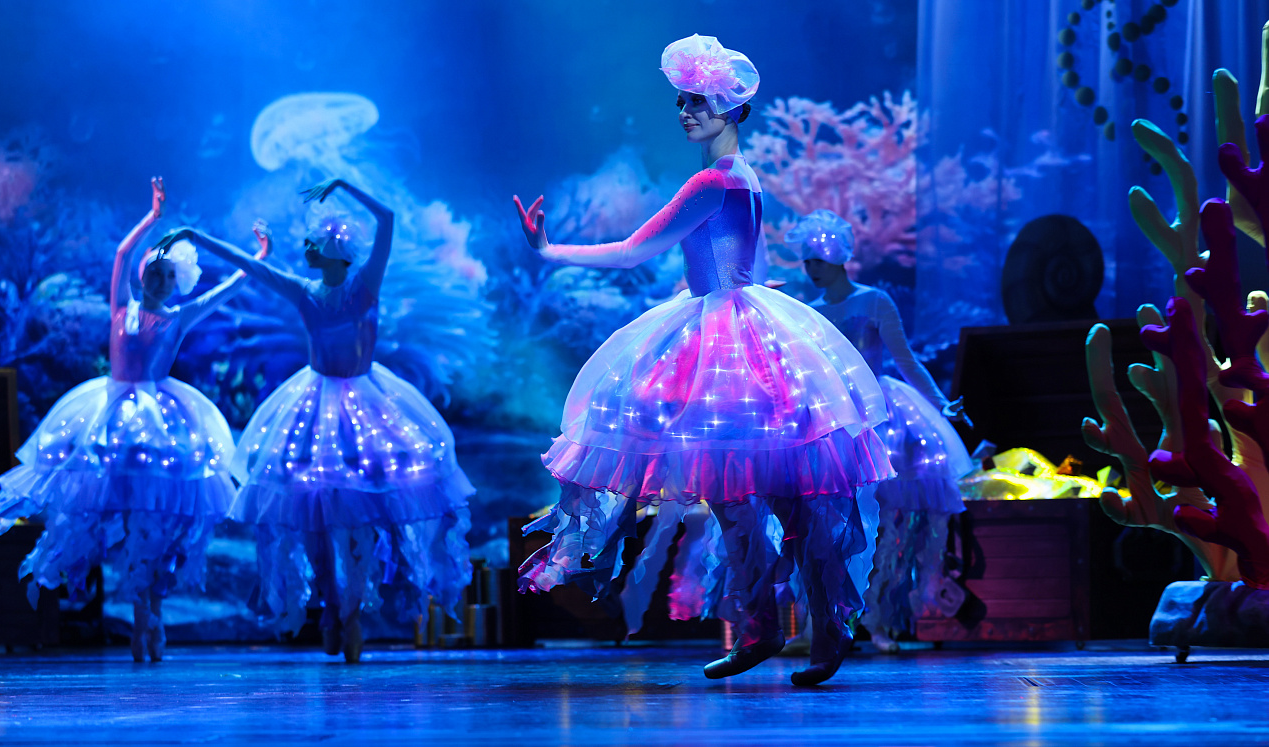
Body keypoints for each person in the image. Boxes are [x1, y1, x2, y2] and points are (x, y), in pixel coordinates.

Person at [513, 34, 893, 685]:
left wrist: (551, 251)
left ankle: (782, 626)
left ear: (729, 107)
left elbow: (634, 250)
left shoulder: (714, 180)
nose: (685, 111)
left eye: (697, 101)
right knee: (764, 494)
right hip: (743, 329)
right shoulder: (745, 177)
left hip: (725, 339)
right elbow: (744, 260)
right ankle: (803, 628)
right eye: (682, 101)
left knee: (748, 493)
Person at [159, 178, 473, 663]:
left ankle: (351, 609)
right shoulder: (304, 292)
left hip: (366, 405)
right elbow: (252, 266)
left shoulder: (364, 287)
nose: (304, 249)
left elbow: (387, 220)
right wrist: (196, 238)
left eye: (312, 244)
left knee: (362, 514)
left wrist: (345, 186)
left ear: (335, 252)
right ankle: (330, 604)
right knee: (314, 517)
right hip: (314, 406)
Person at [0, 177, 265, 662]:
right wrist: (152, 217)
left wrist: (258, 256)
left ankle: (151, 609)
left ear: (175, 282)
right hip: (108, 418)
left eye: (167, 276)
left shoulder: (178, 317)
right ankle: (139, 608)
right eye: (154, 272)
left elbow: (230, 289)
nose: (158, 280)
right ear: (144, 274)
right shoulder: (122, 307)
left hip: (159, 422)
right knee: (117, 519)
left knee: (156, 519)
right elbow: (123, 253)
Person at [787, 210, 971, 653]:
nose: (811, 269)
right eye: (807, 261)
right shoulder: (811, 313)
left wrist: (940, 403)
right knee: (827, 524)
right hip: (836, 419)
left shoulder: (873, 302)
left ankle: (879, 620)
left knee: (888, 523)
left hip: (880, 416)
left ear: (838, 257)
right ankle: (821, 624)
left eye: (818, 260)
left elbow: (905, 360)